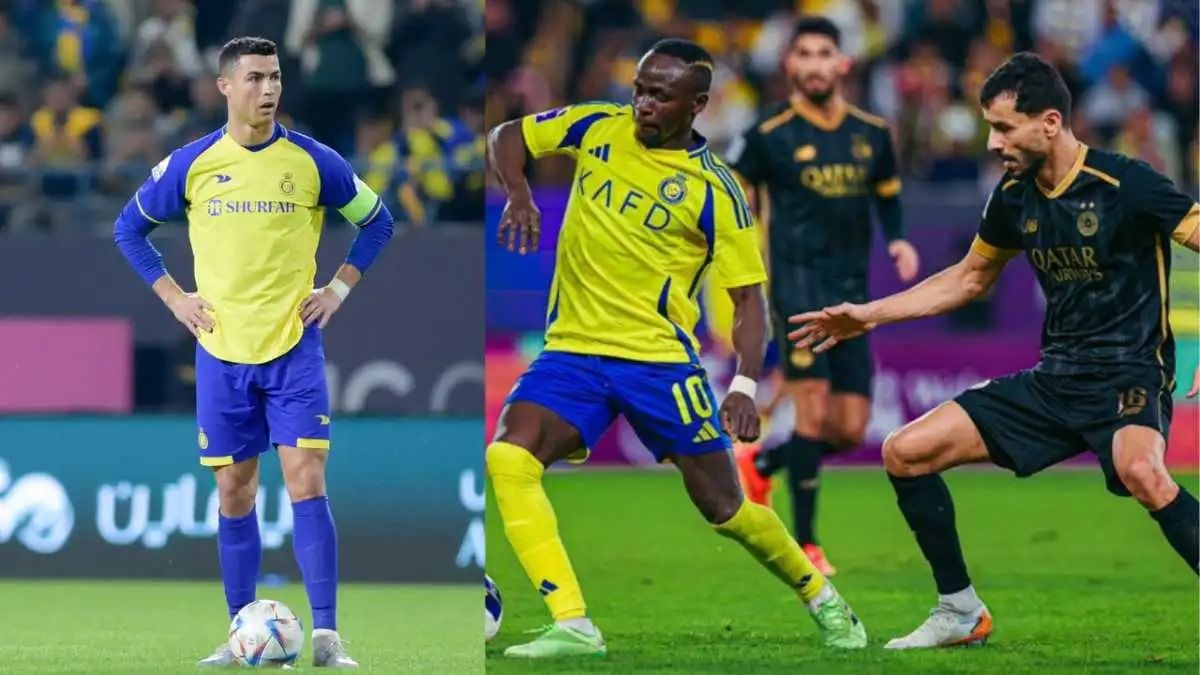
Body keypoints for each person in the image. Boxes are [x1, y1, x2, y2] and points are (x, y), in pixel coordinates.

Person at [790, 52, 1199, 650]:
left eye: (1004, 127)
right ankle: (960, 612)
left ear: (1050, 123)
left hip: (1128, 374)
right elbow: (967, 279)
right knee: (905, 452)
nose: (991, 141)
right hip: (1055, 379)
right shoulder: (1013, 197)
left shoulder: (1125, 183)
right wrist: (868, 315)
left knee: (1143, 470)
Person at [486, 38, 867, 659]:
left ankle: (821, 598)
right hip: (573, 350)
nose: (641, 104)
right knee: (508, 457)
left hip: (658, 360)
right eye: (639, 89)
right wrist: (519, 193)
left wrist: (744, 385)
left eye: (659, 95)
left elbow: (749, 302)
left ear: (697, 105)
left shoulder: (716, 191)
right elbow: (508, 135)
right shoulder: (595, 126)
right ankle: (573, 623)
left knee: (724, 508)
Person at [113, 36, 395, 668]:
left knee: (307, 479)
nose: (268, 89)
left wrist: (340, 288)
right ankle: (239, 631)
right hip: (221, 351)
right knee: (235, 492)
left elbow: (377, 220)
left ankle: (325, 636)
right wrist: (174, 297)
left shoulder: (313, 162)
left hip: (293, 347)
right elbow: (128, 228)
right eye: (255, 78)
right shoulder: (191, 165)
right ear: (224, 87)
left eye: (275, 78)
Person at [727, 16, 919, 575]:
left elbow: (887, 194)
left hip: (854, 296)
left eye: (823, 54)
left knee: (850, 428)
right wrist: (741, 249)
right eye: (803, 54)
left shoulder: (871, 133)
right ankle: (807, 545)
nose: (814, 64)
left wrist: (900, 240)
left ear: (842, 64)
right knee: (810, 414)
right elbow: (735, 190)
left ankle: (763, 461)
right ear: (790, 65)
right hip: (797, 288)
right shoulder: (769, 134)